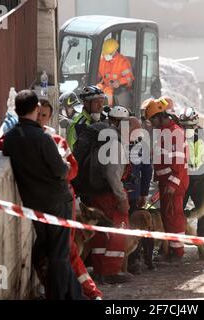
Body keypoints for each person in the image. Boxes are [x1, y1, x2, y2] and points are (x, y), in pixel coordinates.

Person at [2, 90, 82, 299]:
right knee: (59, 254)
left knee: (49, 249)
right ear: (36, 109)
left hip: (33, 203)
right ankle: (61, 296)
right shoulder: (42, 138)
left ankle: (73, 294)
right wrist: (64, 164)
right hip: (56, 201)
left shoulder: (10, 139)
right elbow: (60, 170)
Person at [37, 99, 102, 300]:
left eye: (44, 115)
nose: (40, 119)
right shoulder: (30, 137)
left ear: (49, 117)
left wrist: (58, 174)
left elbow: (72, 169)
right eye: (38, 114)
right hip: (46, 202)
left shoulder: (56, 140)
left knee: (68, 250)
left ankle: (88, 292)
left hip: (64, 199)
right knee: (50, 252)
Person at [88, 106, 132, 284]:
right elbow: (113, 175)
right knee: (118, 231)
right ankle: (111, 272)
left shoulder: (102, 137)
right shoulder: (116, 144)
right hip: (111, 196)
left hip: (97, 193)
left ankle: (99, 269)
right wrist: (122, 198)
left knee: (100, 232)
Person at [143, 97, 189, 261]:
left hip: (173, 181)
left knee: (174, 216)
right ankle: (171, 249)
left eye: (152, 119)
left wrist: (172, 183)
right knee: (167, 216)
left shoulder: (173, 132)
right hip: (167, 180)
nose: (151, 123)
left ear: (159, 116)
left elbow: (178, 160)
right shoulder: (165, 131)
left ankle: (177, 252)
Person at [180, 107, 204, 257]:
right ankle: (174, 247)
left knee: (203, 215)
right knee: (177, 214)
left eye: (189, 125)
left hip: (201, 181)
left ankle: (203, 249)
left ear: (196, 123)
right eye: (184, 125)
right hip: (183, 181)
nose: (186, 128)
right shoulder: (176, 137)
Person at [124, 116, 154, 274]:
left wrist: (143, 193)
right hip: (126, 193)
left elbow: (147, 171)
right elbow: (147, 170)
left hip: (131, 194)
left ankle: (134, 260)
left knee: (132, 227)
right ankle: (131, 260)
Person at [66, 85, 105, 151]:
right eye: (96, 102)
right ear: (86, 103)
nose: (100, 106)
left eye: (102, 102)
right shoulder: (79, 125)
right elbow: (71, 151)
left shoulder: (101, 119)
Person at [97, 38, 135, 106]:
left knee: (108, 93)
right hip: (103, 85)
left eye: (109, 53)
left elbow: (129, 78)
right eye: (105, 53)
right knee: (95, 89)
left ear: (115, 51)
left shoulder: (123, 62)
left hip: (117, 89)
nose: (106, 55)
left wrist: (119, 82)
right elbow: (99, 74)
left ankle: (107, 111)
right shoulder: (102, 60)